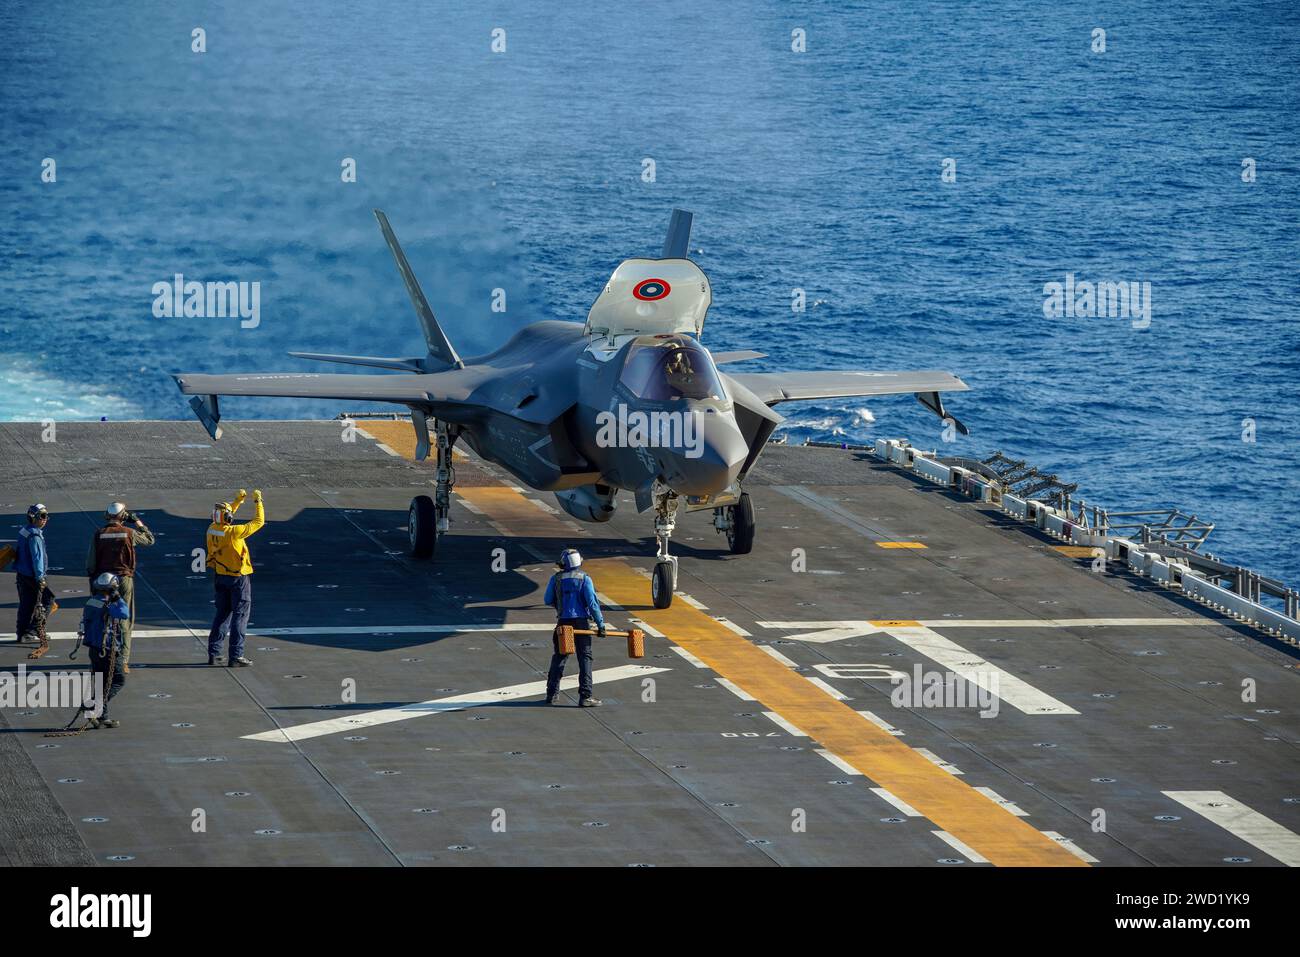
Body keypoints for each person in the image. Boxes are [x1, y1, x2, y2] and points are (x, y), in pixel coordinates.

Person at [86, 502, 154, 673]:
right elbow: (150, 540)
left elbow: (91, 563)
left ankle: (99, 656)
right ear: (123, 516)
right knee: (125, 620)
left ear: (106, 515)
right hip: (123, 580)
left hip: (102, 581)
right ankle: (123, 660)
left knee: (99, 618)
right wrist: (137, 521)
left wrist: (93, 586)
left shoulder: (98, 534)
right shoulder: (129, 533)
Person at [205, 489, 264, 667]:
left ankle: (214, 654)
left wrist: (238, 501)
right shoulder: (235, 532)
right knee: (240, 615)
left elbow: (225, 515)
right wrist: (258, 502)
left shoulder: (212, 529)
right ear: (228, 518)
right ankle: (236, 656)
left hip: (220, 576)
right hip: (238, 579)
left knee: (222, 613)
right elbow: (259, 521)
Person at [543, 548, 606, 707]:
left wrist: (561, 606)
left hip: (563, 623)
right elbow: (592, 604)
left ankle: (551, 694)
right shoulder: (584, 578)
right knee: (585, 658)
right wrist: (600, 624)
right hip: (581, 624)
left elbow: (547, 599)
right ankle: (585, 696)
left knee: (559, 656)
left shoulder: (556, 578)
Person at [76, 573, 131, 729]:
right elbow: (124, 613)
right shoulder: (109, 605)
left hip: (94, 648)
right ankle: (91, 705)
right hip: (108, 649)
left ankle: (102, 716)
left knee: (101, 682)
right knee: (118, 680)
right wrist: (118, 598)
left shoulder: (91, 602)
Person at [15, 504, 55, 657]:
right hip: (33, 576)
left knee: (26, 604)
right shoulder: (35, 536)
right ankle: (35, 629)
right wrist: (40, 578)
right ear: (34, 517)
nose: (45, 520)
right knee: (49, 599)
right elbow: (37, 558)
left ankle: (22, 633)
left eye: (46, 516)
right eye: (42, 516)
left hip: (22, 574)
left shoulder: (25, 531)